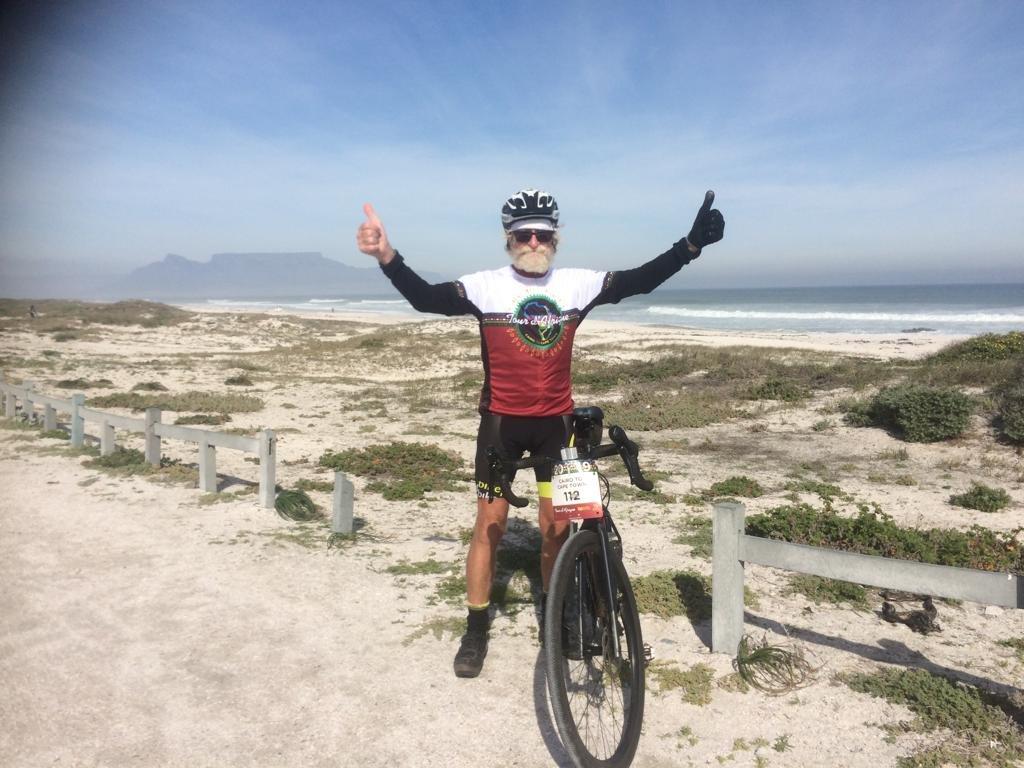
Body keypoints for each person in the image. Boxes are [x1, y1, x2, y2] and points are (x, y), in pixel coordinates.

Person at [356, 188, 724, 678]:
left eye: (543, 234)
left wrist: (688, 248)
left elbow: (640, 280)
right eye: (524, 234)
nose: (534, 241)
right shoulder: (484, 286)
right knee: (489, 528)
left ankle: (557, 620)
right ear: (509, 238)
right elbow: (425, 299)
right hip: (501, 428)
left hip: (556, 428)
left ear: (556, 237)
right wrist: (386, 256)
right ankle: (476, 628)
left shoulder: (576, 285)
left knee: (555, 530)